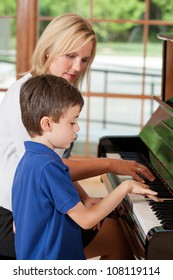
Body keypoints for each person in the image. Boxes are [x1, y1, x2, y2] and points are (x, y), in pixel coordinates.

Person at [0, 13, 155, 260]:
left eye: (84, 59)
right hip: (14, 217)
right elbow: (47, 167)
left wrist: (83, 197)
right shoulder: (29, 97)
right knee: (117, 237)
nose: (77, 67)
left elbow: (53, 169)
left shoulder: (53, 92)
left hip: (38, 207)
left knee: (116, 227)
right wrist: (112, 165)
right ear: (49, 49)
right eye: (70, 56)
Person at [12, 74, 158, 260]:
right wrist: (126, 187)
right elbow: (87, 220)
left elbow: (18, 225)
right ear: (47, 124)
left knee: (118, 237)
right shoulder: (49, 167)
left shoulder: (27, 161)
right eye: (72, 122)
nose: (77, 128)